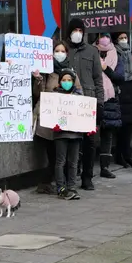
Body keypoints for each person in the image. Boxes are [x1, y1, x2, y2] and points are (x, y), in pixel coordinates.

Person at [32, 41, 81, 194]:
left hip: (66, 123)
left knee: (65, 157)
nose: (59, 53)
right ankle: (49, 183)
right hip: (48, 121)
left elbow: (80, 93)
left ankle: (64, 183)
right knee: (54, 156)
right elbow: (37, 93)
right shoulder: (47, 72)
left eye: (62, 51)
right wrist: (39, 79)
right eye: (56, 50)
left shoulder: (72, 72)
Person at [66, 19, 104, 191]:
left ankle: (87, 177)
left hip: (89, 102)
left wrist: (100, 103)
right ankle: (71, 175)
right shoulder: (63, 50)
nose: (77, 33)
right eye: (74, 30)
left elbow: (98, 79)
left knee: (90, 142)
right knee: (71, 142)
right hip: (68, 102)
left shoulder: (92, 51)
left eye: (80, 30)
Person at [94, 33, 123, 179]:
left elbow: (120, 77)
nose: (104, 40)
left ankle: (105, 167)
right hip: (93, 97)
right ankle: (84, 167)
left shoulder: (116, 55)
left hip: (110, 99)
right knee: (91, 134)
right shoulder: (92, 53)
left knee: (107, 135)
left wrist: (106, 68)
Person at [52, 69, 84, 200]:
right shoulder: (54, 96)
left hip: (75, 133)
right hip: (61, 133)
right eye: (64, 80)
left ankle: (72, 187)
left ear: (73, 81)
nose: (66, 82)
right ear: (59, 82)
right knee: (61, 161)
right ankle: (61, 187)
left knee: (73, 162)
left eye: (69, 80)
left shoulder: (80, 96)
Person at [114, 32, 132, 168]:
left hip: (131, 94)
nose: (123, 40)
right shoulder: (115, 53)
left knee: (129, 128)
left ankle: (128, 155)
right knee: (121, 128)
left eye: (125, 37)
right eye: (121, 38)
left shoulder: (130, 53)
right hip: (120, 93)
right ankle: (121, 156)